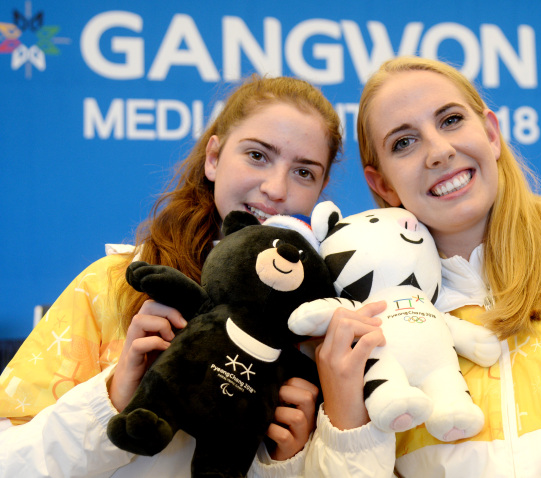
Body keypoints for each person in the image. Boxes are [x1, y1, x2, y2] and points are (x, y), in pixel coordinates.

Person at [305, 56, 541, 477]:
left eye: (450, 120)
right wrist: (345, 414)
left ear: (490, 133)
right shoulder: (367, 330)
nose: (439, 151)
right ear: (383, 185)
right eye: (404, 142)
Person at [0, 74, 343, 477]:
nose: (275, 188)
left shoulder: (317, 330)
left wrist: (286, 462)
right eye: (257, 155)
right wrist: (111, 397)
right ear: (213, 157)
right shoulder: (112, 286)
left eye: (304, 172)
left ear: (320, 194)